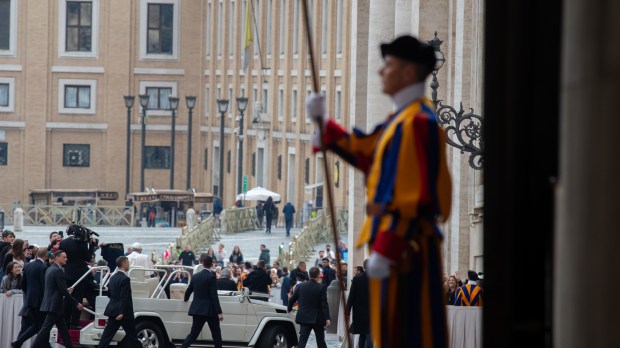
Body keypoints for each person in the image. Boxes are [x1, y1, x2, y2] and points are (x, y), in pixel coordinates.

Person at [306, 35, 451, 347]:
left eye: (389, 65)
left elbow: (414, 198)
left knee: (410, 333)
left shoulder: (419, 124)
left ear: (408, 73)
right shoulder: (400, 121)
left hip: (406, 248)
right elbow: (367, 152)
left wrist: (387, 246)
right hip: (397, 249)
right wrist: (326, 126)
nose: (381, 72)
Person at [32, 250, 84, 348]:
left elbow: (56, 288)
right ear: (56, 258)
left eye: (66, 257)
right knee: (45, 330)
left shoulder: (50, 269)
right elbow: (62, 290)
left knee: (63, 331)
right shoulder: (58, 270)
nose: (66, 259)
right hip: (55, 305)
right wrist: (76, 303)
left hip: (54, 304)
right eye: (63, 257)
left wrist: (66, 290)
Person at [97, 256, 141, 348]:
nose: (129, 264)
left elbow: (109, 294)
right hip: (124, 313)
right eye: (128, 262)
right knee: (132, 336)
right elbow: (124, 297)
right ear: (124, 264)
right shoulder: (125, 279)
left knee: (107, 336)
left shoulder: (112, 277)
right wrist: (121, 312)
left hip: (113, 310)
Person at [180, 255, 223, 348]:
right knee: (216, 335)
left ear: (202, 264)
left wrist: (185, 299)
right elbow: (214, 296)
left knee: (193, 334)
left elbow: (188, 291)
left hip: (198, 309)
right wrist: (219, 312)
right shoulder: (212, 276)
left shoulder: (195, 276)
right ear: (212, 264)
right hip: (211, 311)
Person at [59, 224, 96, 329]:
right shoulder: (81, 243)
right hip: (80, 274)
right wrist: (92, 246)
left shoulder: (63, 243)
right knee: (78, 298)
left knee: (68, 298)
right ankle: (74, 323)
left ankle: (65, 321)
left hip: (67, 273)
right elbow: (88, 258)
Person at [12, 247, 47, 348]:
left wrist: (29, 294)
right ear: (45, 256)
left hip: (29, 300)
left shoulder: (28, 265)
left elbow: (23, 284)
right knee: (38, 325)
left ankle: (19, 342)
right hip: (39, 301)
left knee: (38, 325)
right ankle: (18, 342)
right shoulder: (43, 267)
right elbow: (43, 285)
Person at [287, 266, 330, 348]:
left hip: (304, 317)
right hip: (317, 318)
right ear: (318, 275)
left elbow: (292, 299)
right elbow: (324, 304)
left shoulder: (300, 286)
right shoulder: (321, 287)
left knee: (302, 341)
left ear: (309, 275)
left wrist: (289, 309)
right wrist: (327, 318)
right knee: (320, 341)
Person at [346, 259, 370, 348]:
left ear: (363, 267)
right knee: (371, 335)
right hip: (374, 312)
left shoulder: (357, 279)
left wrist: (347, 312)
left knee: (362, 335)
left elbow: (351, 297)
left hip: (360, 313)